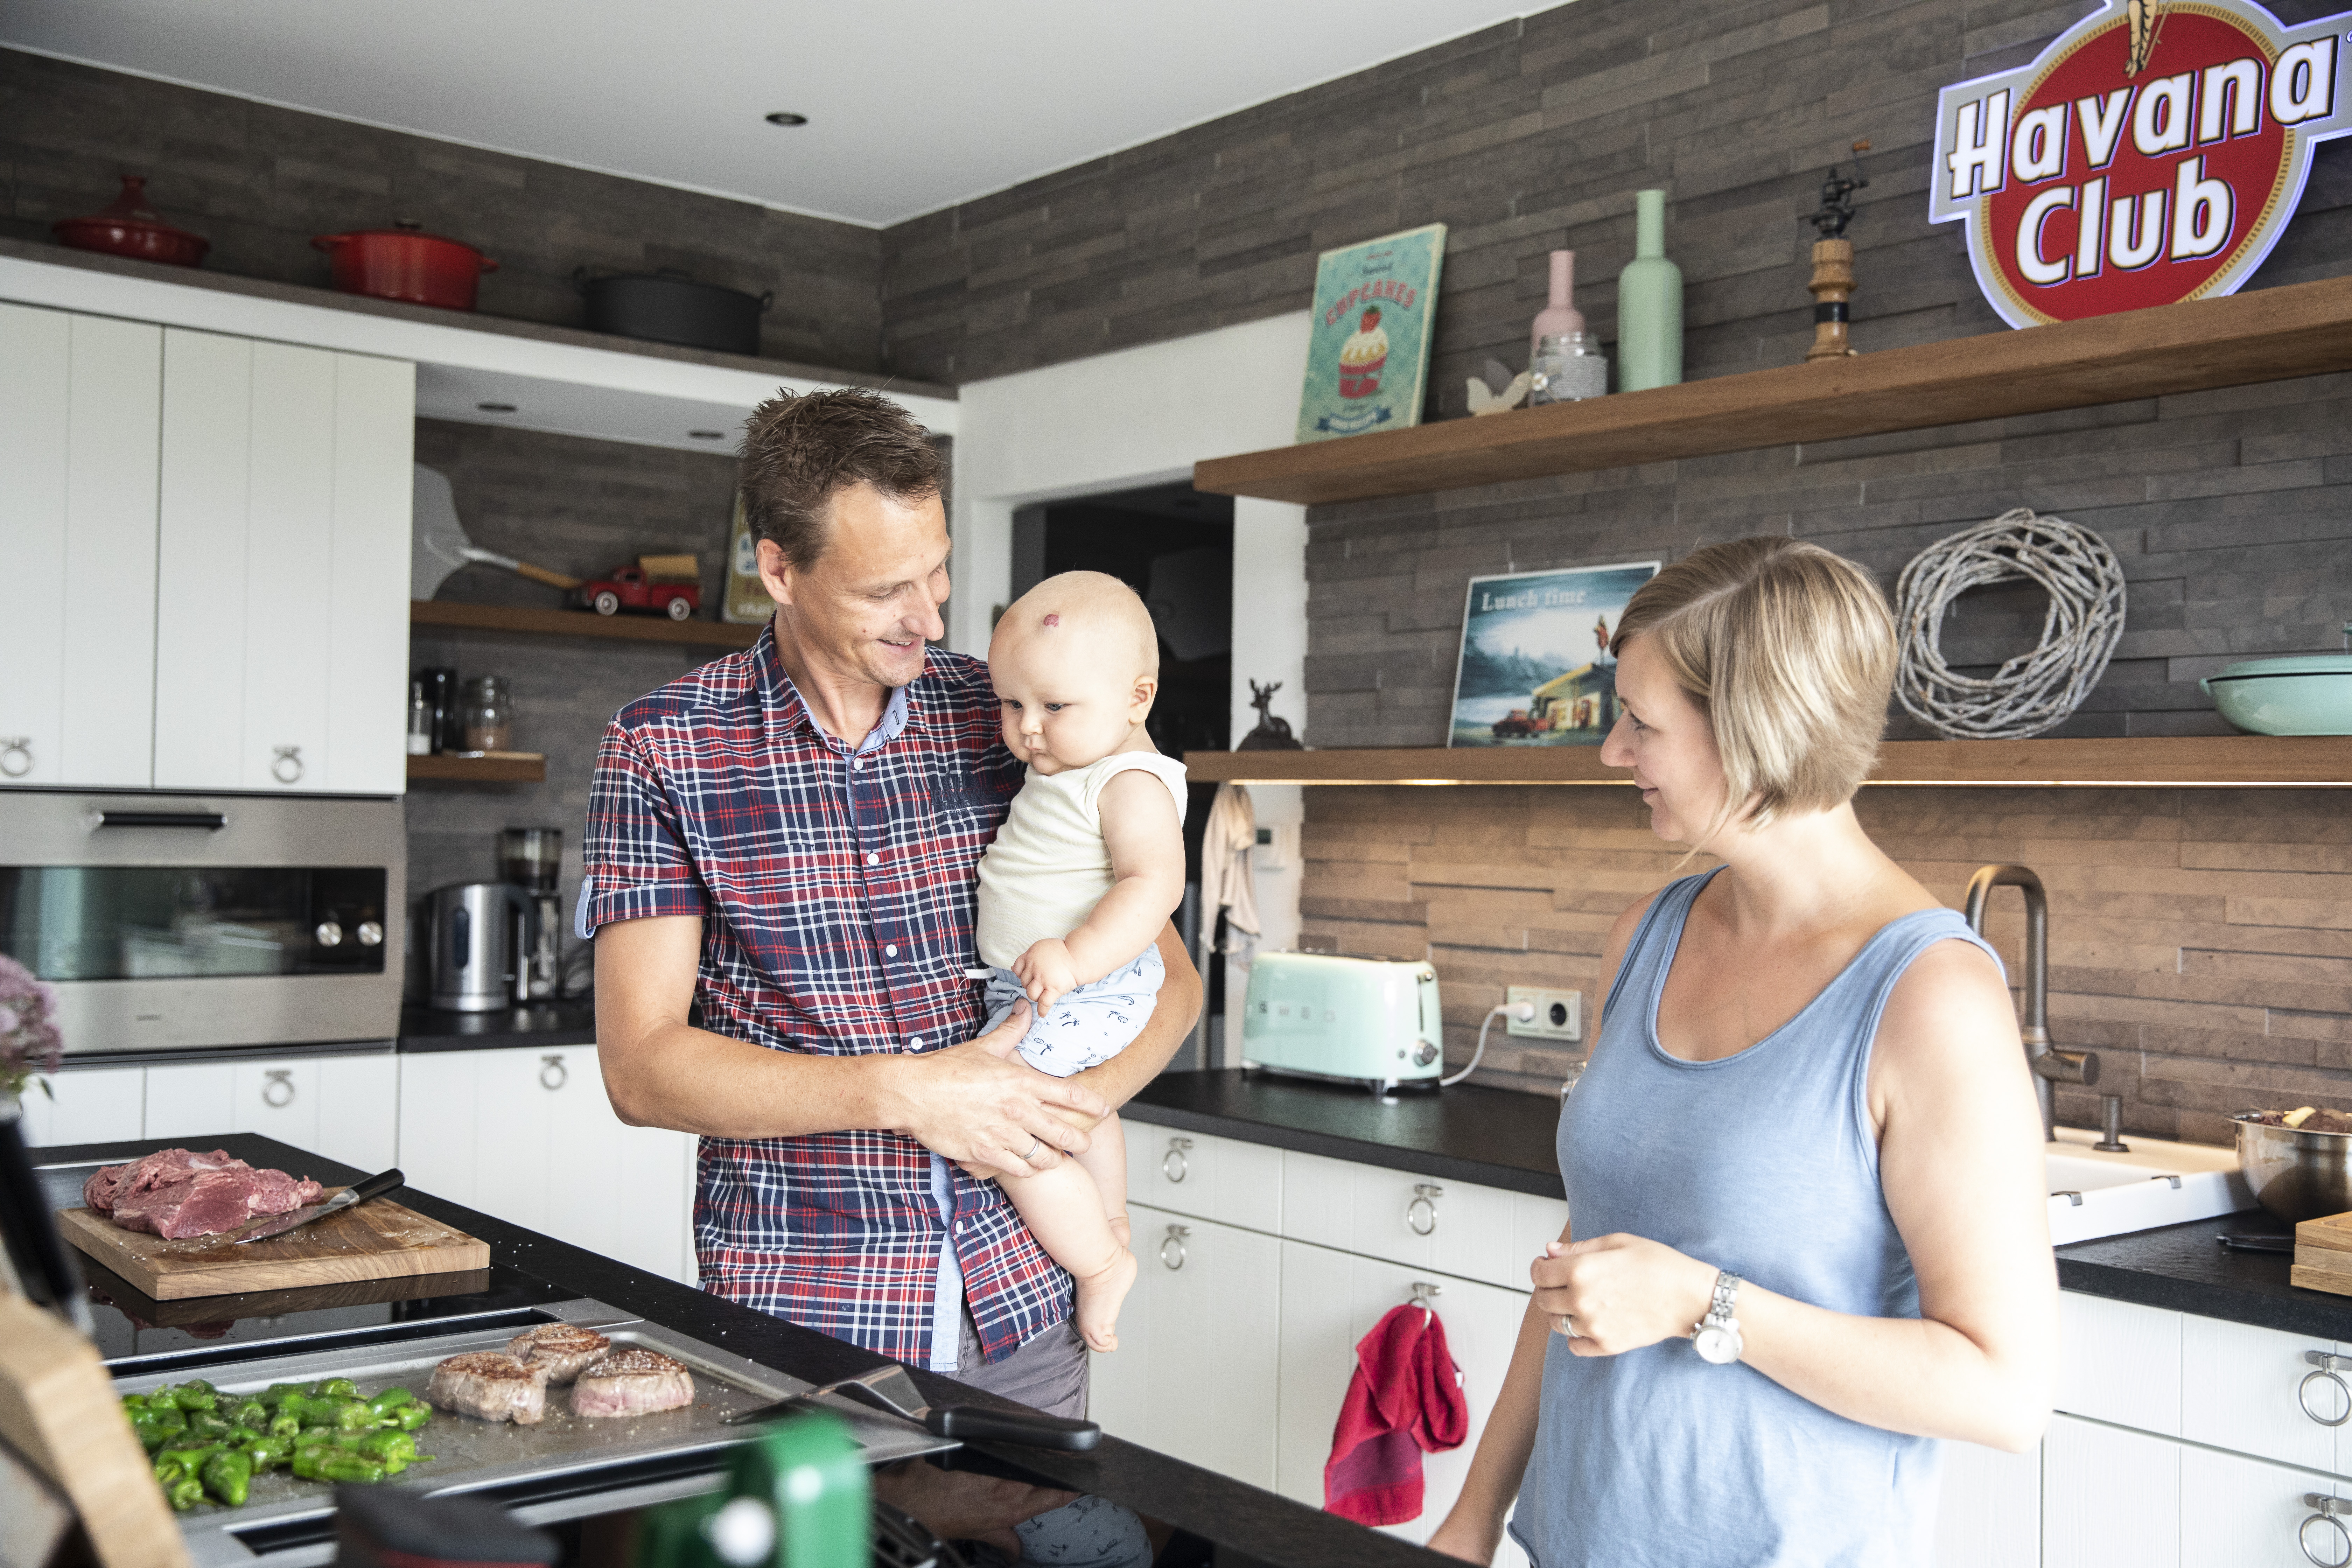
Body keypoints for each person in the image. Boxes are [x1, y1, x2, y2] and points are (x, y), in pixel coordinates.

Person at [1426, 537, 2056, 1568]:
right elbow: (1583, 1267)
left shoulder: (1931, 996)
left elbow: (2004, 1391)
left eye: (1642, 723)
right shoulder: (1647, 937)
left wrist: (1700, 1302)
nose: (1611, 753)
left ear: (1759, 731)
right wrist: (1473, 1518)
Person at [584, 387, 1199, 1439]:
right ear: (779, 569)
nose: (932, 617)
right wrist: (913, 1096)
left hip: (1023, 1305)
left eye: (940, 569)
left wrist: (1071, 1108)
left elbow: (1171, 981)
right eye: (885, 590)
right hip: (800, 1318)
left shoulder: (1014, 716)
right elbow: (641, 1070)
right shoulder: (663, 750)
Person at [970, 571, 1189, 1353]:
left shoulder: (1131, 779)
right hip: (1048, 983)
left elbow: (1155, 883)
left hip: (1090, 983)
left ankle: (1097, 1262)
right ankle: (1115, 1222)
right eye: (1012, 704)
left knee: (1008, 1122)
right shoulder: (1073, 761)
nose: (1028, 727)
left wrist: (1075, 954)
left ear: (1138, 697)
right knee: (1078, 1111)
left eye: (1055, 706)